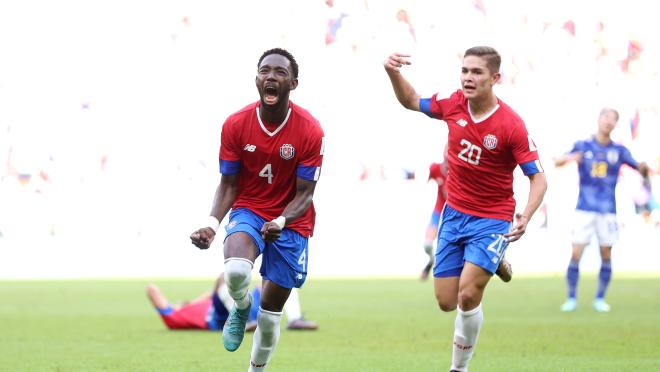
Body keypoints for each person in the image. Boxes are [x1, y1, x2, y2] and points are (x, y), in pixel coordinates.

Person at [384, 46, 547, 372]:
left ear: (495, 78)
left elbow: (538, 178)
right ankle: (494, 259)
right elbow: (411, 100)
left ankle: (458, 368)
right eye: (465, 71)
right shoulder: (452, 102)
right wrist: (392, 71)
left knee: (468, 296)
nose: (468, 78)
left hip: (493, 218)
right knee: (446, 301)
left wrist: (525, 216)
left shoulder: (511, 125)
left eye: (477, 73)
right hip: (455, 215)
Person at [190, 48, 325, 371]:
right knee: (236, 270)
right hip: (249, 209)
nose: (271, 77)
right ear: (256, 78)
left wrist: (280, 219)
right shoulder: (236, 124)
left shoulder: (310, 130)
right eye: (265, 70)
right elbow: (229, 183)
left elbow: (306, 194)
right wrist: (211, 223)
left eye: (280, 72)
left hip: (292, 222)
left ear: (293, 83)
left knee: (269, 316)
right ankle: (240, 305)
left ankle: (256, 369)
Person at [554, 108, 649, 313]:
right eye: (606, 117)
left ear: (616, 124)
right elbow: (558, 161)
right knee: (576, 252)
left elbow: (639, 168)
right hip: (584, 208)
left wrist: (644, 166)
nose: (608, 122)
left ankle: (599, 299)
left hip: (607, 210)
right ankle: (571, 298)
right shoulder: (583, 145)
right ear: (598, 119)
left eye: (613, 119)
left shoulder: (619, 150)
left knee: (606, 253)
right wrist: (570, 158)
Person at [146, 274, 318, 331]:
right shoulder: (174, 317)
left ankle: (294, 319)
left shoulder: (189, 305)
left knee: (278, 280)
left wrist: (188, 302)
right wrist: (176, 307)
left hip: (238, 303)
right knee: (224, 279)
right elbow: (151, 289)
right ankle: (242, 322)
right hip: (220, 318)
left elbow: (212, 293)